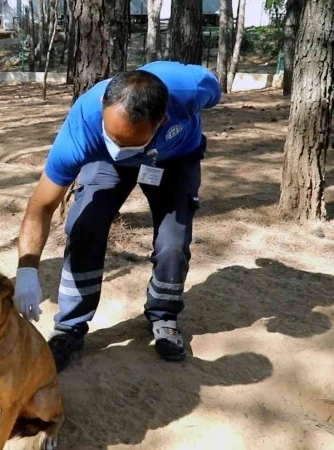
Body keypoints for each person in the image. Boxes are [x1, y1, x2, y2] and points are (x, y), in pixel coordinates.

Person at [13, 61, 221, 371]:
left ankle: (163, 315)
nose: (118, 148)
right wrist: (27, 269)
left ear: (163, 121)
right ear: (102, 105)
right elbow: (41, 206)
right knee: (84, 227)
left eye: (128, 143)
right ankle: (69, 326)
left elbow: (214, 90)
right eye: (113, 137)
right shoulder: (83, 129)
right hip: (102, 162)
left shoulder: (192, 88)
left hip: (176, 157)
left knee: (173, 240)